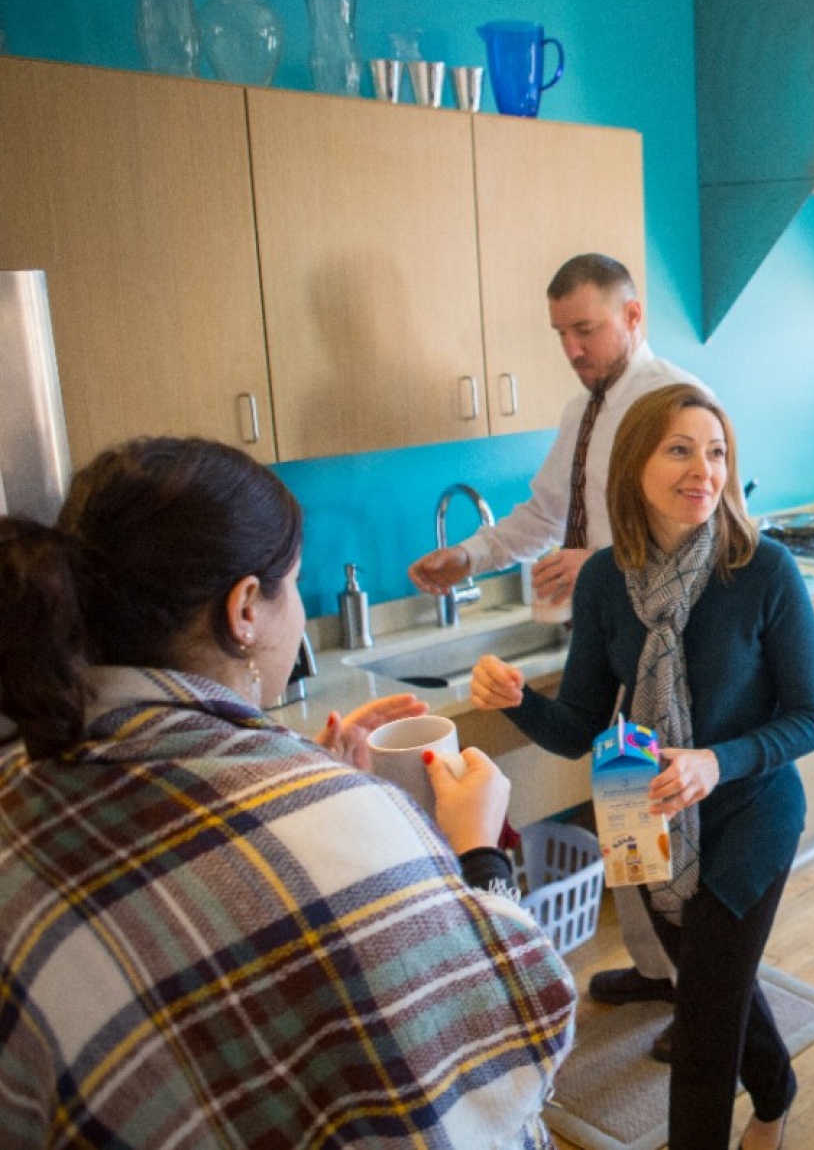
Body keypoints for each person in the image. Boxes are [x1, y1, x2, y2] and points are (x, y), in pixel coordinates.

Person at [0, 437, 577, 1146]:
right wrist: (477, 854)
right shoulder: (351, 816)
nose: (299, 614)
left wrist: (309, 777)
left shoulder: (23, 777)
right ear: (245, 608)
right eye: (295, 586)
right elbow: (511, 1039)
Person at [471, 383, 814, 1150]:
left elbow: (811, 718)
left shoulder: (763, 570)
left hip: (749, 818)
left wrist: (715, 761)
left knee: (700, 1027)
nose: (705, 469)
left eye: (717, 452)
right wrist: (515, 701)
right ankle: (778, 1087)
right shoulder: (604, 579)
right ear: (635, 464)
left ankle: (754, 1103)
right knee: (715, 981)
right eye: (680, 449)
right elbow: (575, 728)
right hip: (646, 816)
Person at [410, 251, 699, 1008]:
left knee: (672, 821)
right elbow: (543, 515)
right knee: (625, 808)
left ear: (632, 318)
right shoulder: (582, 411)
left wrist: (598, 564)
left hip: (666, 649)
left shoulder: (676, 405)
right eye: (560, 334)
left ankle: (699, 988)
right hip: (605, 640)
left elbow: (690, 534)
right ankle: (658, 969)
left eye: (586, 329)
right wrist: (468, 554)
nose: (572, 349)